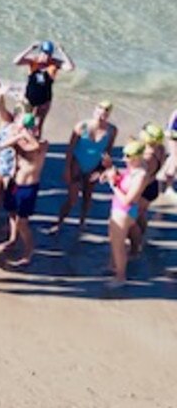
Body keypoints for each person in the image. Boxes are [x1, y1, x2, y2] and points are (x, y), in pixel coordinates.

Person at [54, 100, 116, 232]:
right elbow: (70, 149)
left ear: (108, 115)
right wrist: (66, 169)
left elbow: (108, 152)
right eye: (99, 112)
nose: (101, 116)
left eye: (105, 113)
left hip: (94, 167)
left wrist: (102, 171)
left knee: (88, 197)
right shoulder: (81, 126)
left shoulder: (111, 130)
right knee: (72, 199)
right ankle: (58, 223)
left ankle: (82, 222)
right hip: (77, 164)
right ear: (95, 111)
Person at [0, 113, 48, 266]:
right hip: (15, 183)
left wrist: (25, 133)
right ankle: (12, 240)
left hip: (29, 186)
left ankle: (28, 252)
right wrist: (18, 135)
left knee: (22, 222)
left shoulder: (43, 143)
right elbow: (2, 145)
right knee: (12, 214)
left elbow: (36, 147)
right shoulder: (19, 142)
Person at [102, 141, 150, 290]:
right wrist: (112, 171)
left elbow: (128, 200)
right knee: (114, 240)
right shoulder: (135, 167)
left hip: (124, 212)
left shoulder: (141, 174)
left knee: (118, 246)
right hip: (123, 210)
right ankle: (114, 266)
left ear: (137, 157)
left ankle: (120, 277)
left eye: (128, 156)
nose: (124, 159)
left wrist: (113, 185)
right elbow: (124, 179)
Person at [13, 40, 75, 130]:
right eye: (44, 53)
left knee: (38, 125)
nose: (46, 57)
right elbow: (16, 62)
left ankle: (36, 141)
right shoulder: (33, 60)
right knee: (21, 122)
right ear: (40, 52)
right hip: (29, 98)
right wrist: (30, 48)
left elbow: (70, 68)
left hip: (44, 100)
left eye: (49, 54)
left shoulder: (54, 63)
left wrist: (62, 52)